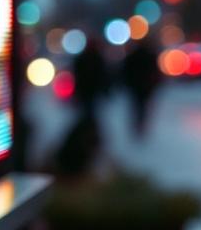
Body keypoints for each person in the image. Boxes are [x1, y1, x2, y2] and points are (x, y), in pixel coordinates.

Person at [55, 39, 109, 176]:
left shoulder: (86, 59)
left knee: (88, 115)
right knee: (89, 115)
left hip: (87, 93)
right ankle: (88, 136)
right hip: (89, 93)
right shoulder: (95, 59)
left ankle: (88, 134)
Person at [121, 39, 161, 139]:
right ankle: (141, 126)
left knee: (136, 107)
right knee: (143, 107)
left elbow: (126, 71)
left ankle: (137, 126)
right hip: (145, 87)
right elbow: (155, 73)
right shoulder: (150, 56)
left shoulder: (133, 56)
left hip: (136, 87)